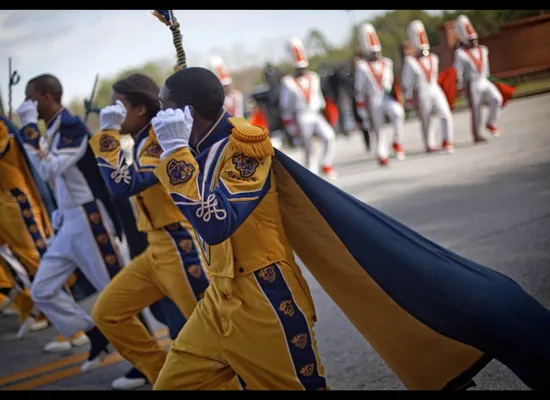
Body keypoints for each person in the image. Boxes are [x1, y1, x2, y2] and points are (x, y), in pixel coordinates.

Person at [153, 65, 550, 391]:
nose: (160, 117)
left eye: (166, 107)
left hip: (265, 301)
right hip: (216, 302)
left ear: (188, 113)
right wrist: (179, 149)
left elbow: (215, 222)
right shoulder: (196, 148)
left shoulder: (245, 145)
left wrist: (175, 153)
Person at [88, 73, 217, 388]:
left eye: (118, 107)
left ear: (140, 109)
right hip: (155, 247)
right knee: (108, 313)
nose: (112, 113)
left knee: (211, 336)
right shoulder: (144, 139)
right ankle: (164, 377)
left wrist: (107, 132)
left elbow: (122, 185)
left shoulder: (160, 140)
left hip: (178, 245)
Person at [16, 74, 127, 372]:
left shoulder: (70, 127)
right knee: (43, 289)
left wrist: (27, 128)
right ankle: (95, 334)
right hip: (68, 221)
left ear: (46, 97)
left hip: (89, 218)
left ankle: (141, 359)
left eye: (31, 98)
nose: (27, 105)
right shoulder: (52, 130)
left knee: (116, 290)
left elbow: (47, 168)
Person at [0, 112, 92, 347]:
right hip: (6, 207)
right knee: (20, 264)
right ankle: (41, 314)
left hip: (17, 204)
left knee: (41, 262)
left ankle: (75, 331)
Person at [279, 37, 338, 179]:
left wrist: (326, 112)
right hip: (301, 116)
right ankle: (312, 172)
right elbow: (285, 106)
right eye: (299, 67)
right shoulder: (288, 82)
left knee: (329, 136)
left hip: (316, 114)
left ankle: (327, 164)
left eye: (303, 66)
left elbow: (320, 97)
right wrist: (290, 125)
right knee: (308, 147)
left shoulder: (314, 77)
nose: (301, 69)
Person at [354, 23, 406, 167]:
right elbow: (359, 90)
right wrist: (362, 109)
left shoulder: (387, 63)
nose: (375, 54)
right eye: (372, 52)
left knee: (398, 113)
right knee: (379, 128)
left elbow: (391, 82)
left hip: (386, 97)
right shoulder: (362, 67)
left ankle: (396, 141)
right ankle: (382, 155)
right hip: (373, 99)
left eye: (377, 51)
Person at [401, 19, 454, 154]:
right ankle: (429, 144)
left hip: (435, 88)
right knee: (426, 119)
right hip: (422, 91)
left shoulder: (434, 58)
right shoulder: (410, 62)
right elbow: (407, 82)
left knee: (445, 114)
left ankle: (447, 140)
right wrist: (409, 98)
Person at [453, 14, 502, 142]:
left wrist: (490, 78)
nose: (474, 42)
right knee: (476, 109)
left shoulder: (483, 50)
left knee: (497, 99)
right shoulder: (460, 54)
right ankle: (476, 134)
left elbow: (486, 67)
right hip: (473, 82)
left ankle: (491, 122)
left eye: (475, 39)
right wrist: (460, 87)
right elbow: (457, 71)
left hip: (484, 80)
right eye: (471, 40)